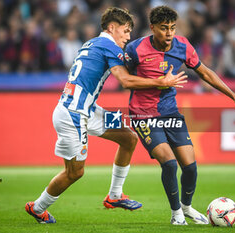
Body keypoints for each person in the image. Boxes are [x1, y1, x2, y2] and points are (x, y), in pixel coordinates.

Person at [25, 7, 187, 224]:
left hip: (88, 109)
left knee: (128, 138)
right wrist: (161, 82)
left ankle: (115, 195)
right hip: (73, 115)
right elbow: (126, 81)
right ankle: (38, 207)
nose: (128, 37)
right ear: (112, 28)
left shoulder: (92, 43)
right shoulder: (109, 46)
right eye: (126, 31)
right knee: (75, 173)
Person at [124, 6, 235, 225]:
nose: (169, 33)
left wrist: (233, 96)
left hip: (170, 112)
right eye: (164, 29)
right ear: (152, 28)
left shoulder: (182, 46)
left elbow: (205, 72)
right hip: (143, 114)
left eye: (172, 28)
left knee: (190, 168)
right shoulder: (135, 49)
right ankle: (176, 215)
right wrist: (158, 82)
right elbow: (124, 79)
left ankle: (187, 206)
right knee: (170, 164)